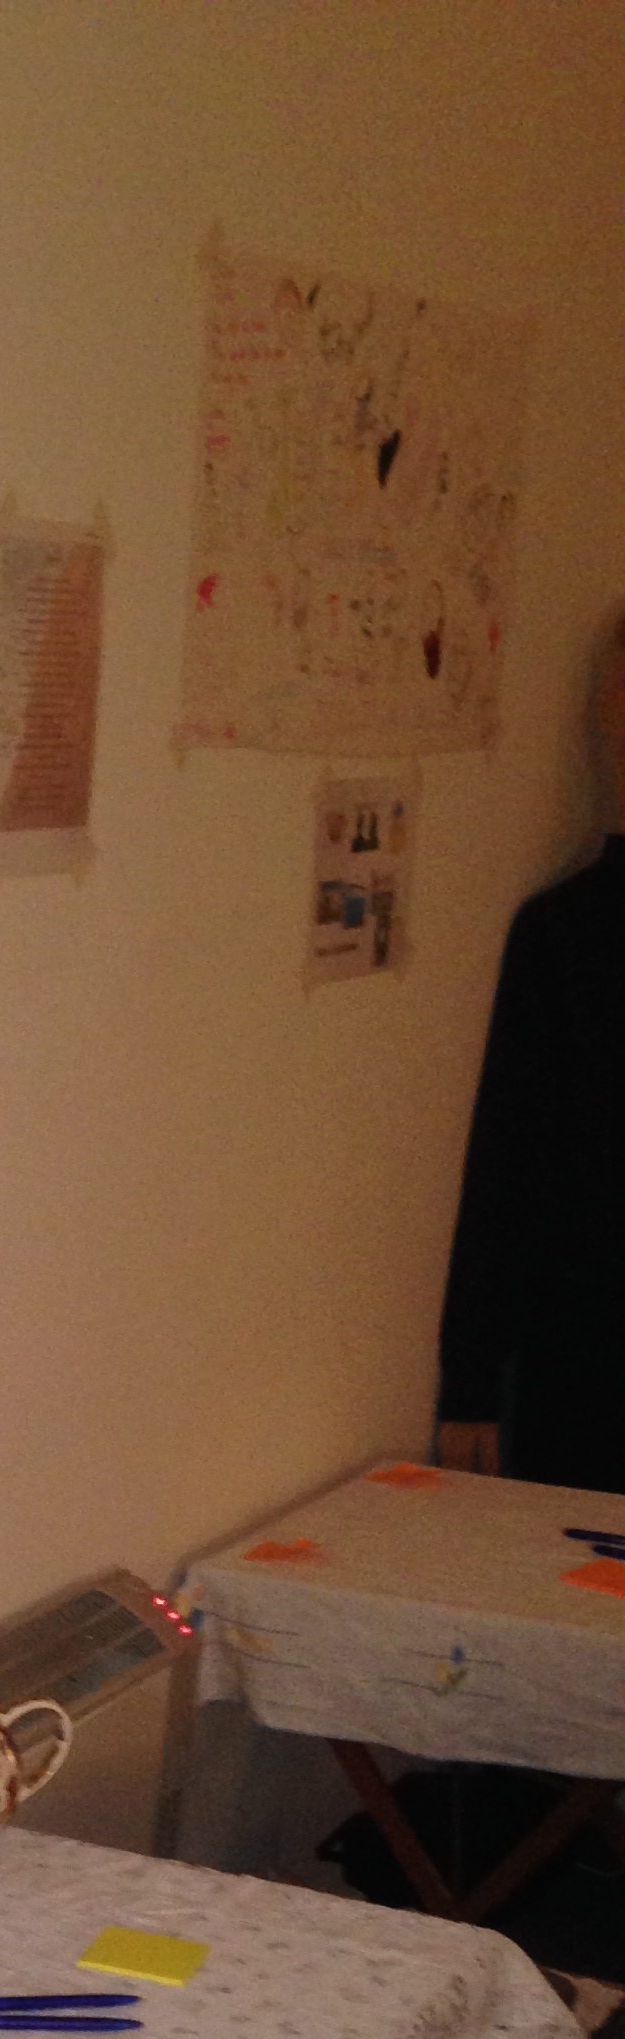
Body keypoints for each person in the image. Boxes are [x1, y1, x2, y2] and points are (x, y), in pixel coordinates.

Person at [434, 616, 625, 1494]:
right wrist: (471, 1384)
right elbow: (511, 1164)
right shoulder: (567, 934)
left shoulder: (568, 933)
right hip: (587, 1370)